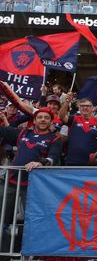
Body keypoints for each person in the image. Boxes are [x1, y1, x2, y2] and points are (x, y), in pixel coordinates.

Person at [0, 107, 62, 250]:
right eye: (40, 117)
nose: (43, 120)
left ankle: (31, 252)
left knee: (34, 220)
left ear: (51, 121)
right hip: (11, 181)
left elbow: (53, 157)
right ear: (34, 120)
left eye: (46, 118)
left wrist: (41, 162)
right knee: (2, 216)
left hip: (34, 186)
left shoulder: (55, 138)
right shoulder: (22, 132)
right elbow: (2, 130)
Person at [59, 94, 97, 165]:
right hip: (72, 161)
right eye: (82, 106)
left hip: (91, 162)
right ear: (79, 108)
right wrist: (67, 102)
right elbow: (61, 117)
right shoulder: (73, 118)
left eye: (88, 106)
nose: (85, 107)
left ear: (92, 108)